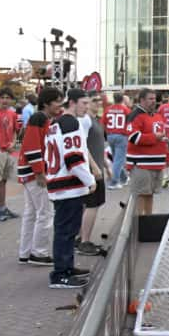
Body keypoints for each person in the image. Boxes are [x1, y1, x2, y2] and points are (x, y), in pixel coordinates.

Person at [46, 89, 96, 289]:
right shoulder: (70, 123)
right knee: (66, 229)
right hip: (67, 183)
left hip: (59, 180)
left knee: (66, 228)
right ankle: (60, 273)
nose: (87, 107)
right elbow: (73, 157)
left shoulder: (56, 123)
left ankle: (66, 266)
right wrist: (89, 179)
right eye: (84, 103)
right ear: (73, 102)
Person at [18, 87, 63, 266]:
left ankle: (26, 251)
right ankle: (38, 252)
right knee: (44, 212)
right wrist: (39, 172)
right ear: (46, 103)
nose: (59, 105)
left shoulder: (42, 119)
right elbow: (32, 146)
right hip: (34, 171)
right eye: (57, 101)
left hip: (28, 170)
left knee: (31, 213)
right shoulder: (40, 119)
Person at [126, 89, 167, 216]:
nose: (154, 101)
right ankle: (138, 224)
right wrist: (155, 137)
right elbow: (133, 137)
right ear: (142, 100)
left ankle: (148, 221)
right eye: (150, 99)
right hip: (141, 164)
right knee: (141, 195)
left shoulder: (157, 115)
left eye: (154, 98)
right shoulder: (135, 115)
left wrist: (163, 143)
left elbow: (159, 136)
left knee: (150, 194)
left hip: (156, 163)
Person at [77, 93, 108, 256]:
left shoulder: (95, 120)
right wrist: (95, 168)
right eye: (93, 101)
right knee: (92, 205)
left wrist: (106, 165)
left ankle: (81, 237)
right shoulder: (86, 120)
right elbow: (83, 146)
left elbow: (97, 146)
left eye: (99, 100)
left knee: (90, 205)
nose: (98, 103)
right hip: (90, 171)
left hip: (95, 168)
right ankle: (84, 241)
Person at [0, 87, 20, 221]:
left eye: (8, 98)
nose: (5, 100)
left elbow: (14, 131)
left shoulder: (12, 113)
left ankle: (2, 207)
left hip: (8, 150)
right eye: (3, 97)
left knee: (3, 180)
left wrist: (13, 143)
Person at [103, 91, 131, 189]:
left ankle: (124, 178)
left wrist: (107, 133)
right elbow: (130, 123)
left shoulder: (108, 109)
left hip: (110, 135)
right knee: (118, 160)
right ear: (122, 99)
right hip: (122, 135)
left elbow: (104, 123)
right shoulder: (126, 110)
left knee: (116, 159)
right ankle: (114, 182)